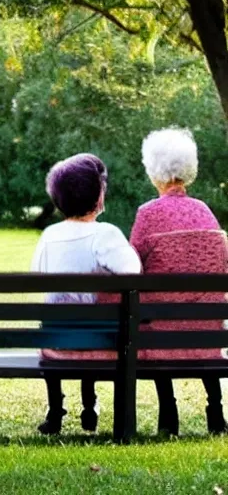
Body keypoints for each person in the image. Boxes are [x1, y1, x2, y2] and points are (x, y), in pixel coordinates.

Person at [32, 153, 141, 435]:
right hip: (98, 338)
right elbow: (133, 272)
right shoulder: (105, 234)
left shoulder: (49, 235)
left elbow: (38, 274)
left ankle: (55, 409)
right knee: (96, 317)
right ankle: (89, 405)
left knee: (63, 318)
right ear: (97, 193)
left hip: (54, 339)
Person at [130, 127, 228, 435]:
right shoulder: (205, 212)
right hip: (208, 334)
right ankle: (216, 411)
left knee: (154, 315)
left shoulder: (148, 214)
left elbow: (132, 265)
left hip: (162, 335)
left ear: (154, 171)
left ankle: (168, 414)